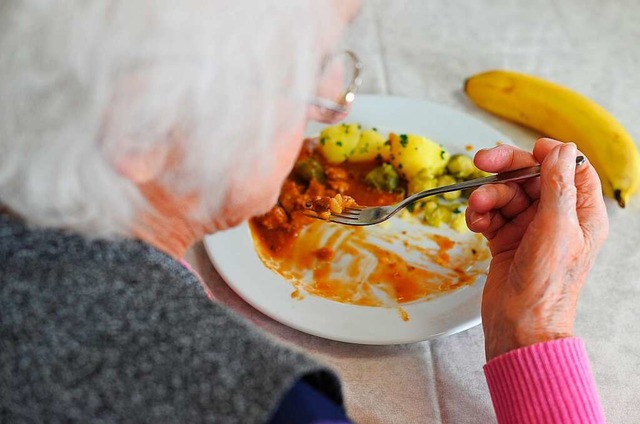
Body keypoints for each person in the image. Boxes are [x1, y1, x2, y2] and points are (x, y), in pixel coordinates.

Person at [0, 1, 608, 423]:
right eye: (315, 69)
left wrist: (513, 324)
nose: (335, 110)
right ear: (143, 129)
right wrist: (540, 331)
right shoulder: (275, 407)